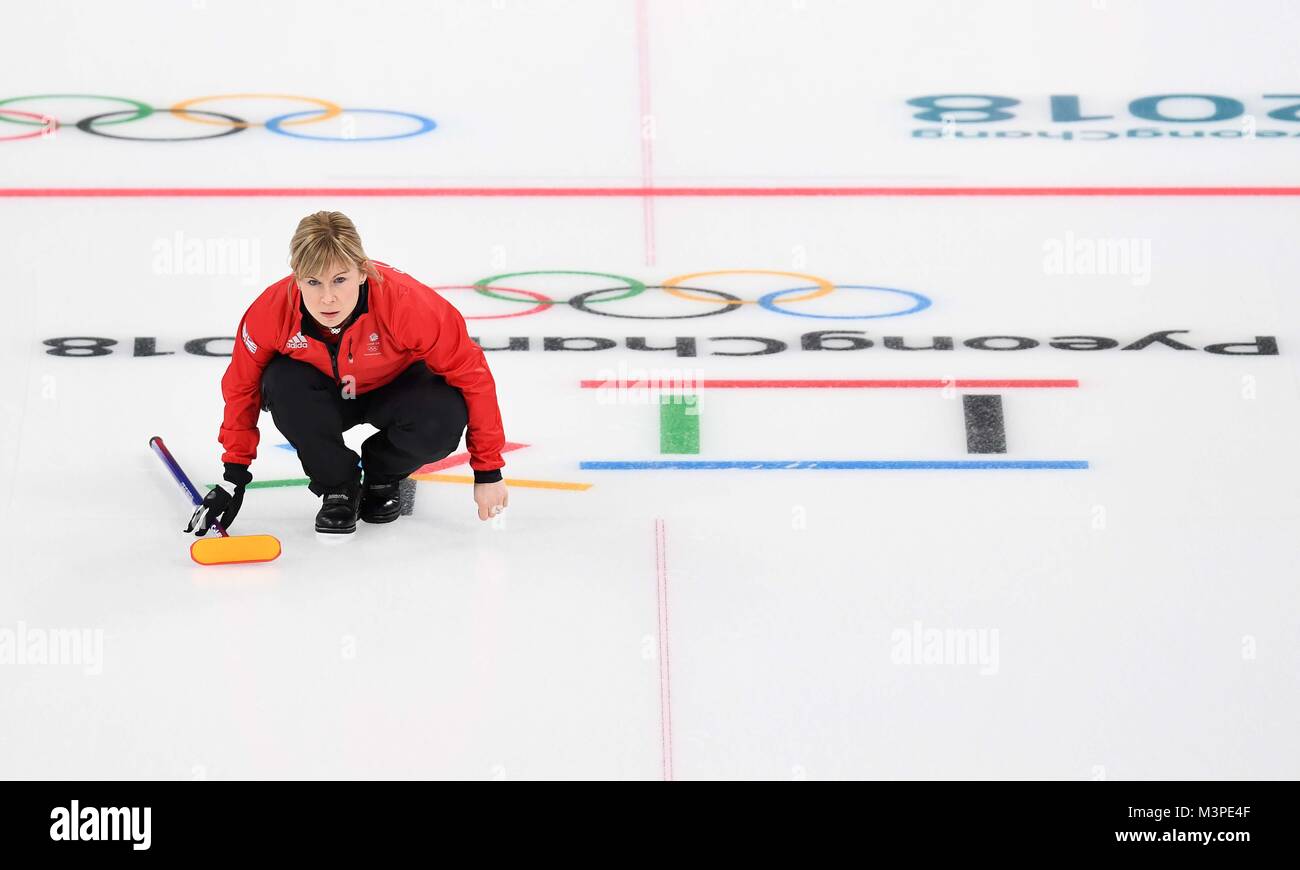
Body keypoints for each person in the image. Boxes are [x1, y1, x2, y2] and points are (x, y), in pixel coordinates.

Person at [189, 211, 508, 535]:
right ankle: (338, 486)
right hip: (322, 395)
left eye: (339, 280)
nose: (327, 297)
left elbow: (473, 375)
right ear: (297, 278)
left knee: (445, 413)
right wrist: (234, 476)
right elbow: (242, 388)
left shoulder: (406, 303)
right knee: (279, 382)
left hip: (395, 387)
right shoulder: (270, 312)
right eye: (313, 282)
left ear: (362, 271)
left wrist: (488, 470)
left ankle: (383, 473)